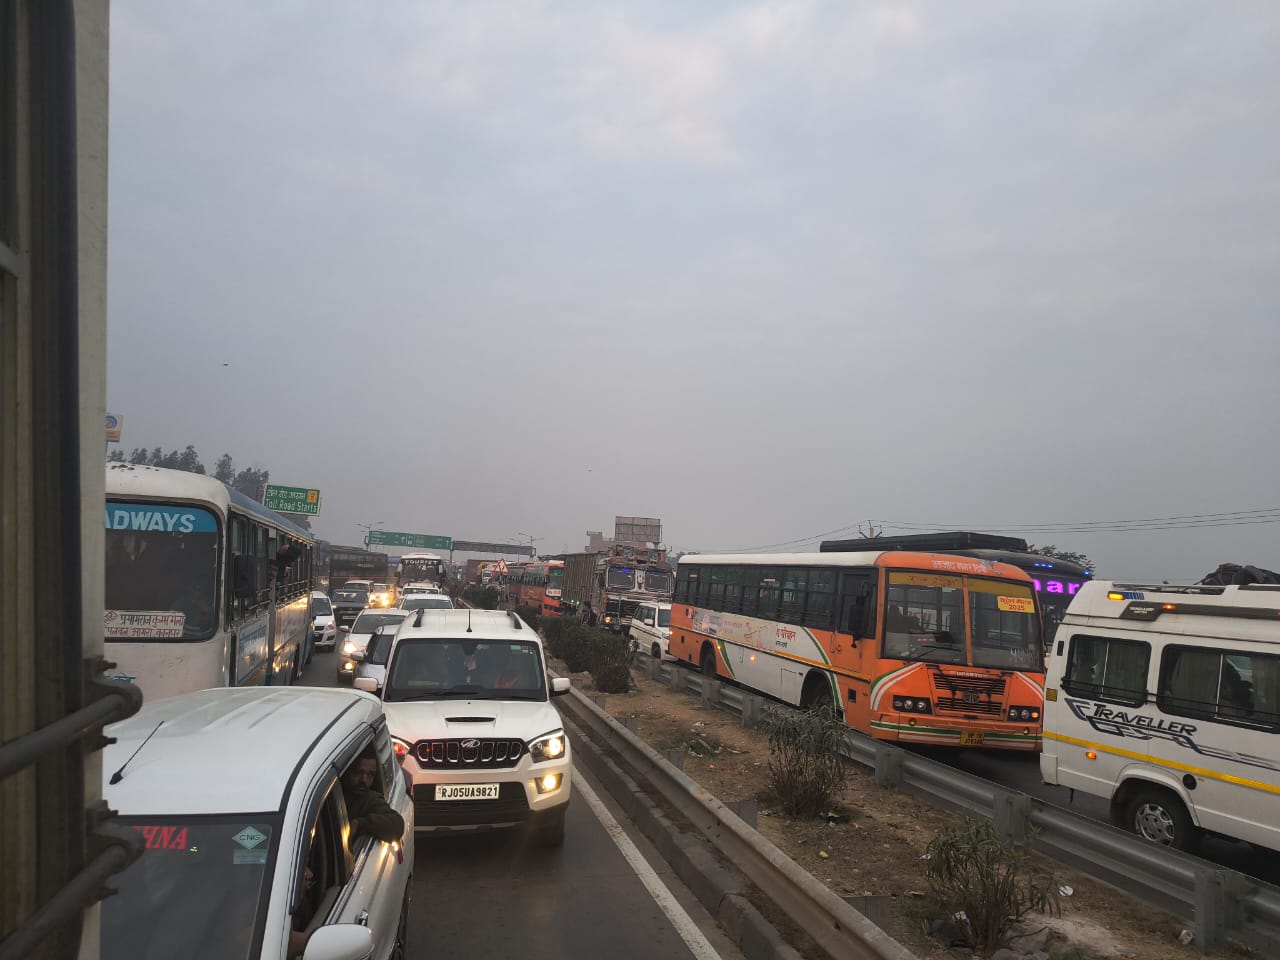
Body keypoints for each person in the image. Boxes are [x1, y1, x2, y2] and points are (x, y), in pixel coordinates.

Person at [341, 748, 405, 846]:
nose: (364, 780)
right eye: (358, 772)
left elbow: (397, 825)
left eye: (370, 774)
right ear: (346, 771)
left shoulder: (369, 800)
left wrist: (360, 824)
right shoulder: (330, 794)